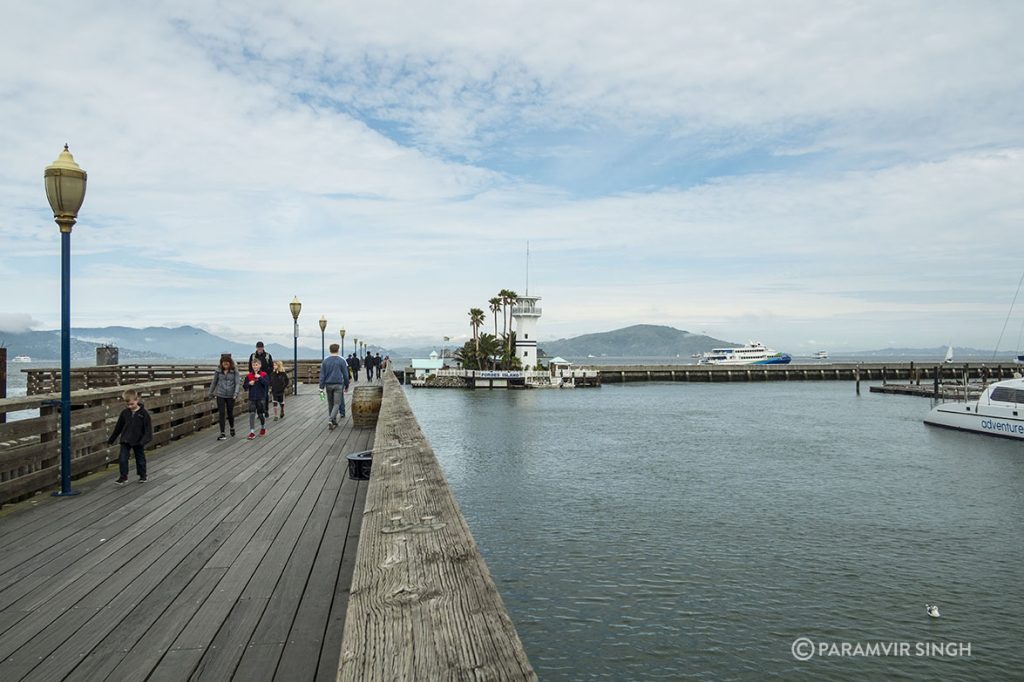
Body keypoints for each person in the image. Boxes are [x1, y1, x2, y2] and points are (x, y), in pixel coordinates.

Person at [107, 388, 153, 484]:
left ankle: (143, 475)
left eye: (132, 404)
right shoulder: (124, 413)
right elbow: (118, 427)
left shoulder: (144, 414)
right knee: (122, 458)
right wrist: (111, 439)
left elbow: (148, 430)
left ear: (137, 400)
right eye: (127, 405)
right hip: (126, 440)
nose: (130, 406)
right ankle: (123, 477)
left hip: (139, 440)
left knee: (140, 459)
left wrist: (143, 441)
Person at [208, 354, 240, 440]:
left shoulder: (234, 371)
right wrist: (210, 393)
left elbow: (237, 383)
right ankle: (222, 433)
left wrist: (236, 393)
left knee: (230, 413)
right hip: (220, 394)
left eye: (227, 363)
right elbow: (214, 382)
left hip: (231, 395)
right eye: (224, 363)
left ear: (230, 363)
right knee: (221, 413)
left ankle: (232, 427)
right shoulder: (218, 371)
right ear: (221, 363)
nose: (225, 365)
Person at [319, 343, 350, 430]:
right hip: (338, 385)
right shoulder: (341, 361)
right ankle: (331, 419)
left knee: (331, 403)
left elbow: (322, 376)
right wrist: (347, 385)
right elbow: (345, 375)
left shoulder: (325, 361)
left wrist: (321, 387)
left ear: (330, 350)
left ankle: (333, 421)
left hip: (328, 385)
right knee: (337, 403)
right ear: (338, 350)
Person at [243, 357, 270, 439]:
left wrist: (260, 377)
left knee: (260, 414)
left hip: (261, 397)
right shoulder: (249, 375)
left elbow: (267, 383)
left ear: (260, 365)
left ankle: (263, 427)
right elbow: (244, 386)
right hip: (252, 398)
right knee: (251, 414)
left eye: (256, 365)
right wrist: (249, 384)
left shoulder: (264, 374)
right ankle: (252, 432)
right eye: (253, 365)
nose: (254, 366)